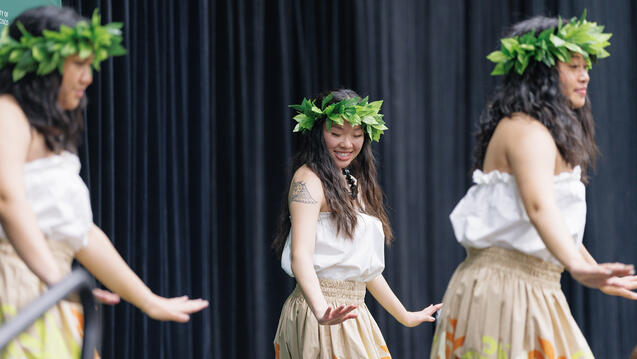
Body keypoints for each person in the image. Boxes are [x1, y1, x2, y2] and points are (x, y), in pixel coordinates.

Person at [0, 6, 208, 357]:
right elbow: (7, 199)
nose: (88, 77)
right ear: (45, 64)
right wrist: (56, 280)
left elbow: (81, 233)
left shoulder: (51, 132)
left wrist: (148, 301)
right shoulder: (8, 112)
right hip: (14, 286)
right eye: (79, 65)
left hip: (53, 291)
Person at [430, 13, 637, 358]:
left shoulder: (546, 133)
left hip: (536, 287)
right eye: (573, 65)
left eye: (586, 66)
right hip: (504, 288)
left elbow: (553, 222)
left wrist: (594, 268)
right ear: (541, 72)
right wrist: (580, 267)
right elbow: (538, 207)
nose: (585, 75)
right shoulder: (525, 129)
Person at [272, 89, 442, 358]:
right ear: (318, 133)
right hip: (322, 311)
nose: (347, 143)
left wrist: (405, 316)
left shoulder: (353, 182)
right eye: (336, 133)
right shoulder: (308, 179)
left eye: (357, 135)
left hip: (353, 311)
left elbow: (365, 270)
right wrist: (320, 310)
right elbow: (300, 255)